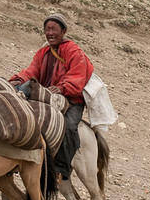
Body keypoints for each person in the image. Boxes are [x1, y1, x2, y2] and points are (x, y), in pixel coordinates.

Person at [10, 13, 93, 179]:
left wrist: (62, 88)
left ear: (63, 31)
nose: (50, 33)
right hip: (49, 95)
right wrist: (18, 80)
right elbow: (32, 71)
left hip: (72, 100)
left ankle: (61, 168)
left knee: (69, 127)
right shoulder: (43, 52)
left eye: (54, 29)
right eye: (47, 29)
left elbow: (77, 76)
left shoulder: (74, 51)